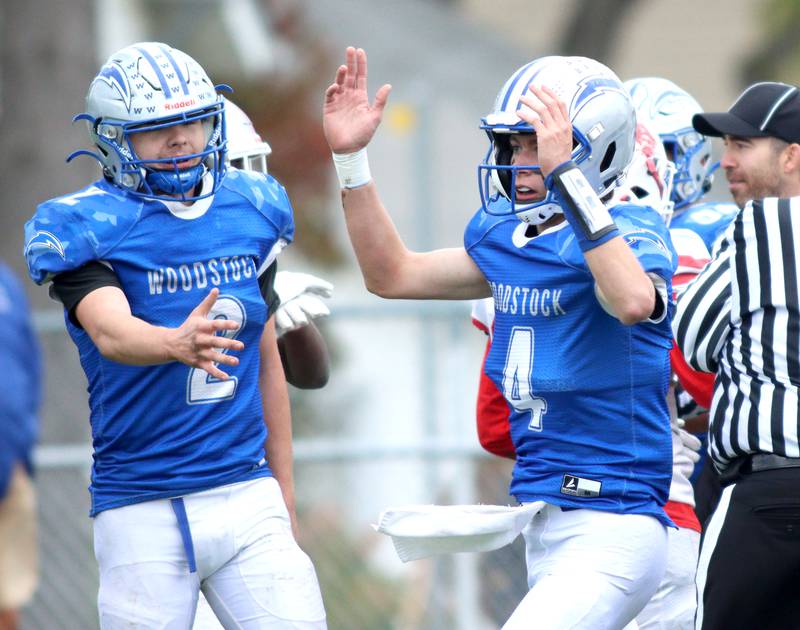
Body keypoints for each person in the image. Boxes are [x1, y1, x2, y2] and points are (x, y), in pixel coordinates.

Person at [324, 47, 677, 629]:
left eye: (532, 142)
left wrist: (568, 180)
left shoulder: (633, 231)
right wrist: (352, 161)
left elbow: (633, 300)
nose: (515, 160)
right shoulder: (509, 238)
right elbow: (391, 274)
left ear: (596, 147)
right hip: (545, 521)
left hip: (614, 521)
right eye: (511, 144)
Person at [23, 42, 326, 629]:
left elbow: (266, 360)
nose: (181, 139)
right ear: (115, 139)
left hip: (245, 490)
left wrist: (281, 492)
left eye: (191, 121)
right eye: (158, 129)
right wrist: (173, 344)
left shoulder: (252, 209)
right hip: (143, 504)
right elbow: (111, 332)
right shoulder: (87, 226)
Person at [673, 81, 800, 630]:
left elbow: (694, 339)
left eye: (744, 145)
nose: (726, 161)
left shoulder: (763, 224)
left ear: (793, 155)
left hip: (770, 493)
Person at [224, 97, 332, 390]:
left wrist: (281, 312)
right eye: (233, 170)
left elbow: (312, 375)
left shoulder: (245, 260)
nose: (250, 188)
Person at [0, 261, 41, 630]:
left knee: (6, 601)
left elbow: (28, 366)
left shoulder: (5, 284)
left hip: (7, 468)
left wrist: (21, 455)